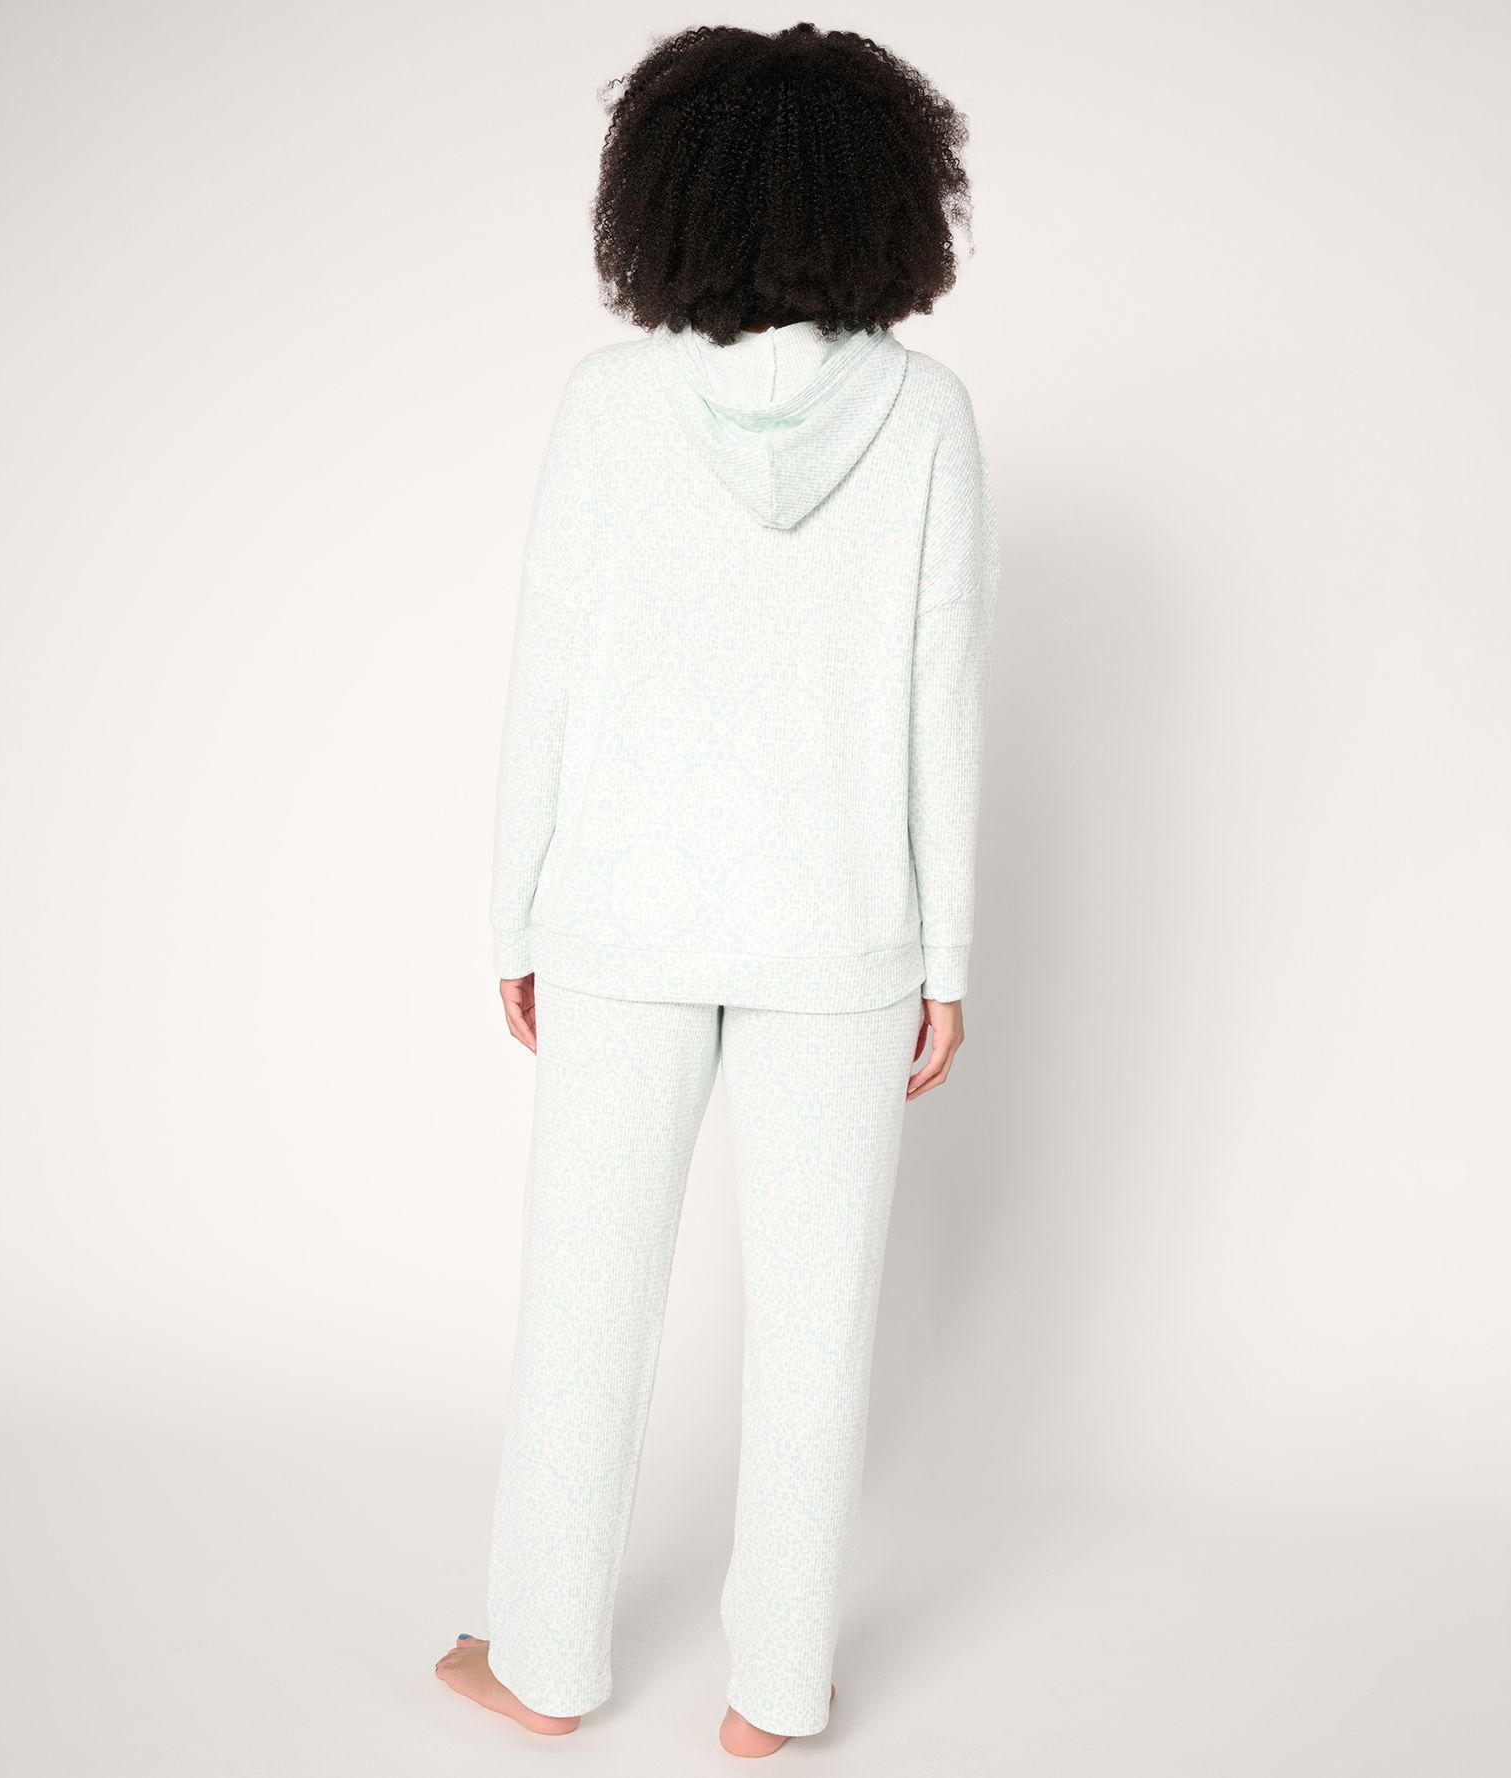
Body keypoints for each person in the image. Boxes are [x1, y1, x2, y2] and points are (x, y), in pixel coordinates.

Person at [435, 20, 1000, 1758]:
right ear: (887, 197)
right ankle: (777, 1695)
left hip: (622, 917)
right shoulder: (926, 417)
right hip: (844, 935)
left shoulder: (609, 406)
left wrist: (516, 915)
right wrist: (947, 954)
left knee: (582, 1301)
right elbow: (943, 699)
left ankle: (546, 1661)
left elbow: (546, 678)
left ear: (663, 196)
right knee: (819, 1324)